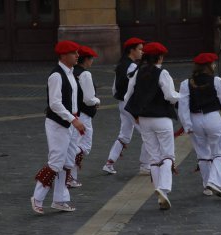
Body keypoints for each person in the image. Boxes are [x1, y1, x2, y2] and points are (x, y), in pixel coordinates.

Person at [30, 40, 85, 214]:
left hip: (70, 122)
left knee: (68, 161)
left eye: (77, 52)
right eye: (74, 53)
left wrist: (76, 119)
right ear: (63, 56)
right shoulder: (56, 75)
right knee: (56, 161)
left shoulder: (71, 73)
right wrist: (72, 119)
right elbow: (54, 103)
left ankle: (60, 199)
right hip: (59, 123)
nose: (77, 56)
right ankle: (37, 197)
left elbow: (73, 100)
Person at [124, 42, 180, 210]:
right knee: (168, 155)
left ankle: (159, 193)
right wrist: (182, 96)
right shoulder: (162, 73)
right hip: (162, 117)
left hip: (144, 119)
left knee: (154, 157)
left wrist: (135, 115)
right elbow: (170, 96)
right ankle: (163, 189)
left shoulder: (137, 72)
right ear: (160, 57)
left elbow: (128, 96)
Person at [178, 53, 221, 197]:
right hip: (212, 117)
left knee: (202, 153)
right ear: (209, 66)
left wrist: (187, 125)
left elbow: (183, 107)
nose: (214, 65)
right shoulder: (217, 81)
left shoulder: (186, 83)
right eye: (213, 63)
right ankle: (214, 182)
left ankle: (207, 186)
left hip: (195, 119)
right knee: (219, 151)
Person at [102, 37, 151, 175]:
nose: (142, 52)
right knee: (148, 133)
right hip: (131, 105)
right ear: (132, 50)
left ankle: (110, 162)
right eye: (140, 49)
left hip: (123, 104)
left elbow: (114, 88)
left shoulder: (121, 65)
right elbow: (138, 88)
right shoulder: (133, 67)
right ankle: (145, 165)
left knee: (124, 134)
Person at [65, 45, 100, 188]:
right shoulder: (85, 74)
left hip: (74, 112)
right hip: (84, 113)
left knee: (76, 143)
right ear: (86, 59)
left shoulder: (72, 72)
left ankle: (71, 177)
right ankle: (66, 167)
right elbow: (89, 98)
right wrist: (97, 100)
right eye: (91, 59)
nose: (92, 62)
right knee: (85, 146)